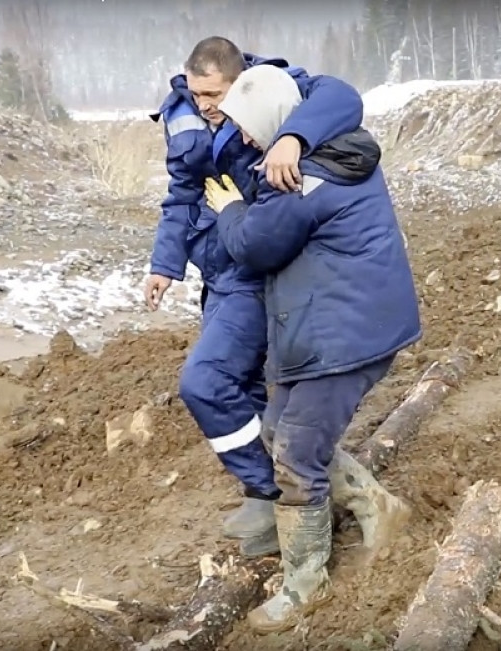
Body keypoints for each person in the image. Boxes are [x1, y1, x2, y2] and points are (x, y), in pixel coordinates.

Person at [204, 64, 423, 633]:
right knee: (279, 430)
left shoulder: (299, 179)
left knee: (296, 455)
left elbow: (254, 245)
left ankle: (306, 585)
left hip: (345, 336)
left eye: (251, 128)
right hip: (345, 324)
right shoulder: (327, 150)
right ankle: (375, 503)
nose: (249, 140)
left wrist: (228, 208)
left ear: (275, 120)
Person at [145, 37, 365, 557]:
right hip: (216, 268)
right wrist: (165, 264)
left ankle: (274, 494)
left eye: (215, 94)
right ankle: (277, 497)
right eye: (197, 94)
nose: (207, 106)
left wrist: (291, 137)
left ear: (237, 80)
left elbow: (343, 97)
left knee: (205, 381)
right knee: (240, 385)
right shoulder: (181, 114)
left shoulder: (274, 88)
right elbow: (180, 197)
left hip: (255, 268)